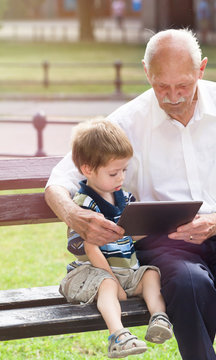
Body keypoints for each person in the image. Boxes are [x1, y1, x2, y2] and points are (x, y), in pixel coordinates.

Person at [45, 29, 216, 360]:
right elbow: (60, 178)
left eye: (183, 86)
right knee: (190, 284)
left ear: (201, 69)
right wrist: (74, 215)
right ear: (146, 72)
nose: (173, 96)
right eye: (162, 87)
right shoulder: (128, 121)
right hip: (167, 248)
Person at [57, 119, 173, 358]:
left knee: (151, 273)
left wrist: (159, 224)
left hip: (126, 274)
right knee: (107, 285)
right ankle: (118, 335)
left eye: (124, 170)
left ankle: (159, 318)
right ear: (88, 169)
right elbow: (89, 247)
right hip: (91, 275)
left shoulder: (124, 197)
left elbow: (130, 232)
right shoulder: (84, 205)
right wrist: (113, 280)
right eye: (114, 172)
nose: (121, 177)